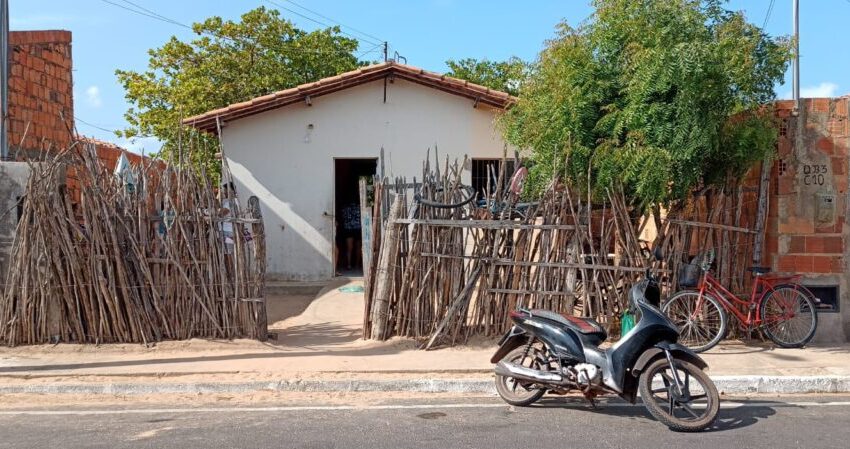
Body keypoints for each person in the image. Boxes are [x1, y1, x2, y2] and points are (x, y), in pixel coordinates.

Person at [339, 199, 361, 271]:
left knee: (349, 248)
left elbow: (343, 217)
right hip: (358, 227)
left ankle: (349, 265)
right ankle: (357, 265)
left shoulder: (344, 207)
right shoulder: (359, 206)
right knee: (358, 247)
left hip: (348, 228)